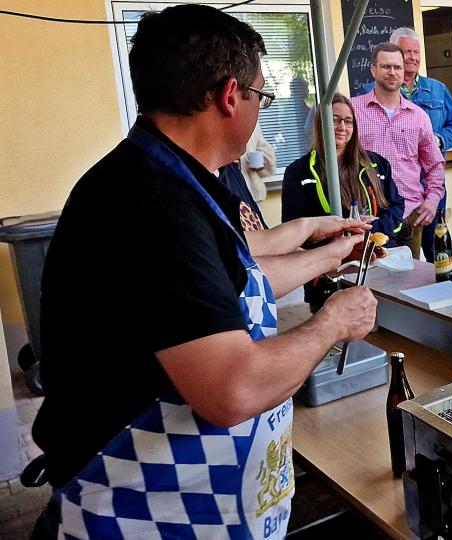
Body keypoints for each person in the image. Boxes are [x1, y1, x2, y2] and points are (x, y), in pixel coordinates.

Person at [30, 6, 377, 538]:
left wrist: (327, 256)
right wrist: (335, 321)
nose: (261, 111)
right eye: (263, 97)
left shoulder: (172, 177)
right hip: (143, 512)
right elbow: (232, 390)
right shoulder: (152, 203)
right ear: (230, 95)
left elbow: (233, 282)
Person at [282, 93, 406, 311]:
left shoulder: (376, 164)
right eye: (334, 120)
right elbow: (293, 228)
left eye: (348, 121)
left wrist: (368, 231)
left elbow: (396, 206)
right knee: (335, 339)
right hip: (327, 277)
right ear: (320, 124)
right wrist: (337, 237)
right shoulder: (297, 172)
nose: (341, 127)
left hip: (380, 270)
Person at [362, 28, 452, 261]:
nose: (414, 57)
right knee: (399, 259)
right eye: (407, 52)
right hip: (392, 191)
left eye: (417, 52)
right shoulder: (368, 94)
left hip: (431, 187)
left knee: (438, 251)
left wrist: (438, 140)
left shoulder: (436, 89)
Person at [239, 123, 276, 203]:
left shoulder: (250, 122)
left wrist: (262, 163)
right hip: (228, 194)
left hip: (253, 195)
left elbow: (265, 149)